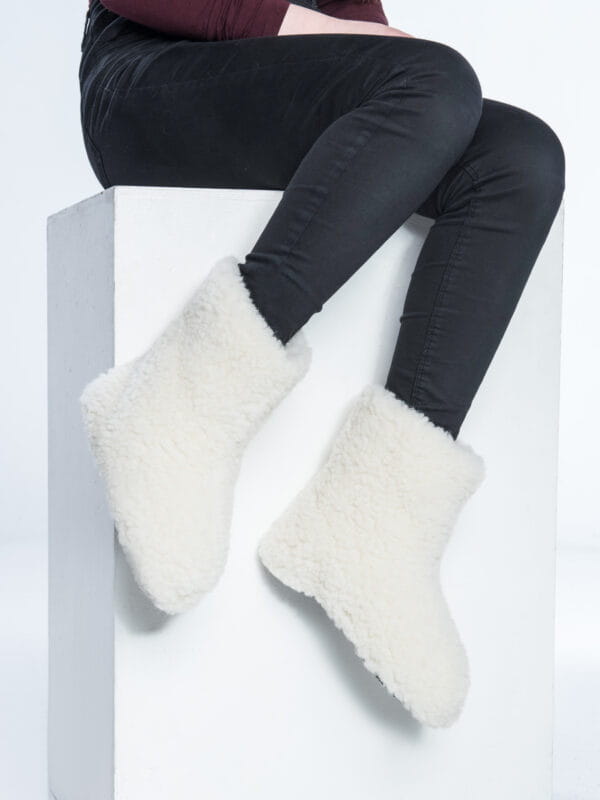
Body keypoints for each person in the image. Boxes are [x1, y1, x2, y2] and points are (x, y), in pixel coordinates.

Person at [78, 0, 566, 728]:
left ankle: (377, 524)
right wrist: (371, 51)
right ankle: (176, 409)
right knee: (435, 83)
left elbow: (358, 24)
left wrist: (378, 52)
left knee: (519, 158)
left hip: (264, 78)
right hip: (144, 82)